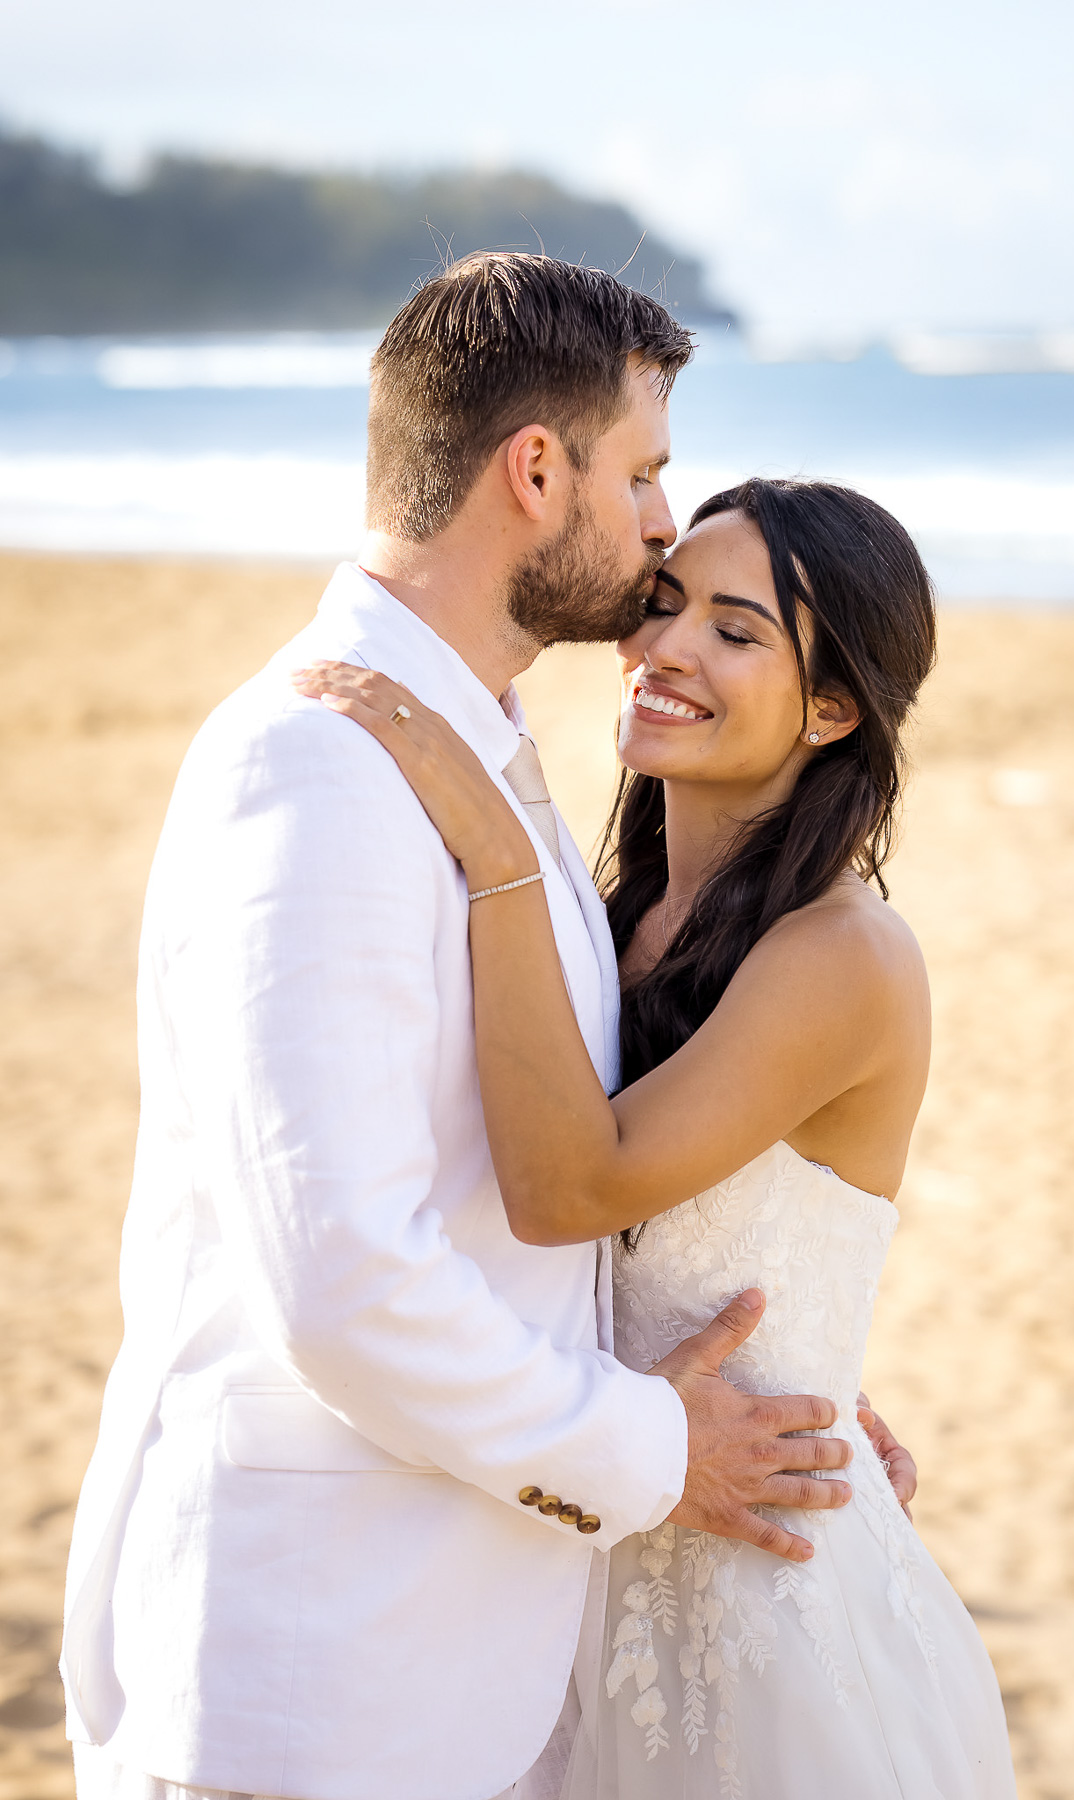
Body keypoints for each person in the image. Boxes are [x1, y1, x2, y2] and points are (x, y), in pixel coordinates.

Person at [62, 256, 916, 1800]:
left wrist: (791, 1365)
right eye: (644, 472)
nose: (660, 521)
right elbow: (347, 1282)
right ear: (538, 470)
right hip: (321, 1682)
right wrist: (667, 1452)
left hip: (478, 1661)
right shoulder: (321, 763)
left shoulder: (487, 750)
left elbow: (546, 1176)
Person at [293, 473, 1018, 1797]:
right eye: (667, 603)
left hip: (756, 1611)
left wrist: (491, 842)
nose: (666, 647)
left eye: (737, 632)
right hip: (585, 1555)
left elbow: (577, 1182)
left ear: (833, 707)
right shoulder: (619, 912)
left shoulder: (841, 955)